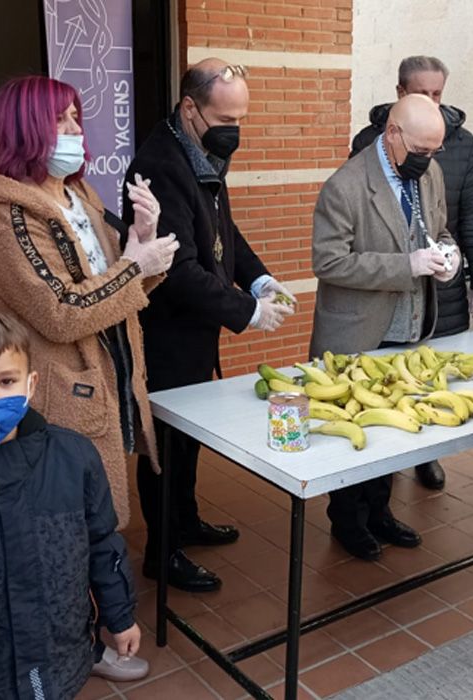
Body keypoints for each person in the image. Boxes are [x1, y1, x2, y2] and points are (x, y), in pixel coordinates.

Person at [0, 75, 166, 675]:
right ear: (25, 129)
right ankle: (79, 644)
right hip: (55, 392)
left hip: (104, 379)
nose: (77, 132)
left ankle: (90, 628)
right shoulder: (6, 217)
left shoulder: (77, 196)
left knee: (93, 516)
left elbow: (117, 288)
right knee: (65, 524)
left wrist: (141, 243)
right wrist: (135, 265)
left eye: (78, 118)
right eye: (62, 121)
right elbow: (59, 311)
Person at [125, 58, 296, 592]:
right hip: (168, 332)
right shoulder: (160, 163)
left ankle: (187, 518)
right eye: (225, 118)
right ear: (190, 108)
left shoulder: (201, 152)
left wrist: (260, 279)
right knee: (166, 446)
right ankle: (163, 549)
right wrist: (245, 310)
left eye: (241, 119)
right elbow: (176, 269)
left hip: (198, 331)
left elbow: (224, 230)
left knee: (189, 439)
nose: (234, 132)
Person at [0, 309, 144, 697]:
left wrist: (120, 615)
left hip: (60, 648)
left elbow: (103, 543)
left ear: (31, 385)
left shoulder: (74, 456)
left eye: (6, 381)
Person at [311, 94, 461, 561]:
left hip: (412, 325)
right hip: (359, 332)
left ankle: (380, 512)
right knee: (357, 430)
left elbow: (441, 230)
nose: (429, 160)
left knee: (392, 433)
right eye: (421, 150)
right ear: (392, 133)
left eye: (434, 151)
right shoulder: (346, 184)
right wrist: (406, 264)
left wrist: (450, 259)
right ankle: (346, 520)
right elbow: (328, 261)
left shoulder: (428, 172)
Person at [350, 55, 473, 492]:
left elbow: (472, 217)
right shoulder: (367, 142)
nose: (433, 101)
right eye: (422, 93)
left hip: (441, 291)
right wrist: (401, 265)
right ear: (400, 95)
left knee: (432, 379)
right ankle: (378, 487)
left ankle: (426, 457)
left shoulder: (463, 144)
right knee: (388, 385)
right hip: (388, 294)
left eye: (438, 94)